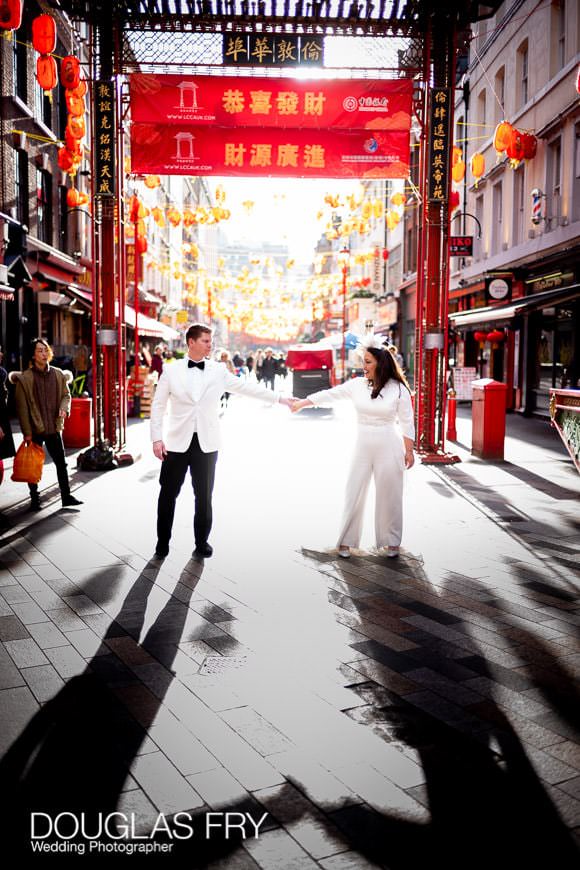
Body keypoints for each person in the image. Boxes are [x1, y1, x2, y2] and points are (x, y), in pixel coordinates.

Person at [150, 323, 294, 560]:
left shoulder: (218, 371)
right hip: (176, 443)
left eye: (211, 341)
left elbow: (247, 388)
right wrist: (157, 438)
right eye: (206, 341)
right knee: (167, 494)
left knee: (204, 496)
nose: (211, 345)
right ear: (192, 342)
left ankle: (202, 542)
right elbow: (157, 406)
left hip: (207, 443)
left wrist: (281, 399)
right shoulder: (171, 370)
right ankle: (162, 543)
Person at [292, 336, 414, 559]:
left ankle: (392, 542)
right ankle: (346, 542)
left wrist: (409, 450)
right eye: (363, 361)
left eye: (367, 362)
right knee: (354, 490)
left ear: (380, 363)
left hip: (389, 444)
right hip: (363, 445)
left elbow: (407, 421)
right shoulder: (357, 385)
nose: (363, 366)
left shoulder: (398, 389)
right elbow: (330, 394)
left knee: (391, 493)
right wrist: (303, 402)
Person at [9, 338, 83, 511]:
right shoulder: (25, 379)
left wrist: (64, 409)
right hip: (35, 430)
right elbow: (22, 409)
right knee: (33, 465)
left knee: (61, 463)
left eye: (45, 350)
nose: (43, 353)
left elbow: (66, 395)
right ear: (33, 355)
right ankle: (35, 500)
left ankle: (66, 496)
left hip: (54, 428)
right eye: (39, 351)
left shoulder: (58, 374)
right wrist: (27, 432)